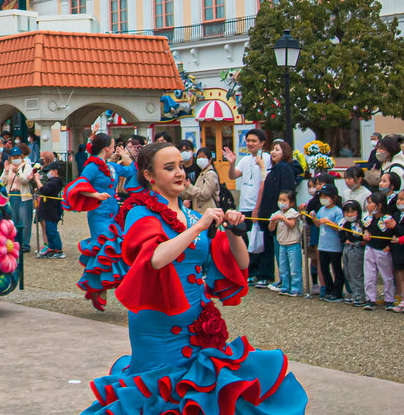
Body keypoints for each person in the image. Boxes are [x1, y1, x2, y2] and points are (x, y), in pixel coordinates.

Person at [79, 142, 306, 414]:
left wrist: (234, 231)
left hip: (197, 325)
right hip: (158, 328)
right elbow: (156, 258)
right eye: (169, 168)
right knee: (160, 396)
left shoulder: (191, 214)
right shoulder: (140, 212)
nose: (180, 173)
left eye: (181, 166)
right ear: (150, 176)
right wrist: (200, 226)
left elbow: (241, 263)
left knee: (204, 397)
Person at [69, 133, 130, 310]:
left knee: (104, 251)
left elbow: (132, 171)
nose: (114, 148)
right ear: (106, 148)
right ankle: (99, 289)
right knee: (107, 246)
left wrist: (125, 157)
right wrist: (94, 194)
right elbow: (79, 184)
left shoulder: (110, 166)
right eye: (113, 145)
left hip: (113, 213)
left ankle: (96, 288)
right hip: (98, 214)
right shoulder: (93, 166)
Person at [222, 129, 271, 283]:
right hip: (244, 205)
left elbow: (264, 183)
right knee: (247, 239)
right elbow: (232, 175)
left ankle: (264, 275)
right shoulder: (245, 160)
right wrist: (231, 164)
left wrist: (257, 208)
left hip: (259, 206)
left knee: (261, 241)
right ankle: (250, 271)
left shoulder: (267, 159)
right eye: (248, 140)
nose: (250, 144)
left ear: (262, 143)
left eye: (254, 141)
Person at [255, 139, 297, 289]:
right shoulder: (276, 168)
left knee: (282, 250)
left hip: (279, 214)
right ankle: (281, 279)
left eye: (277, 149)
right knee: (275, 248)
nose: (273, 152)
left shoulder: (284, 168)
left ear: (284, 152)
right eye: (272, 149)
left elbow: (285, 191)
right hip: (271, 214)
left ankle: (286, 281)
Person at [361, 191, 397, 310]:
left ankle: (389, 299)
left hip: (383, 250)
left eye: (370, 203)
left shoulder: (388, 219)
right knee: (369, 275)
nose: (368, 205)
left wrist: (389, 247)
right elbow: (363, 228)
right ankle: (370, 299)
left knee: (387, 276)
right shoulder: (367, 217)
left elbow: (393, 234)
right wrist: (365, 233)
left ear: (379, 205)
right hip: (370, 248)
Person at [313, 183, 345, 302]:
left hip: (334, 246)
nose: (323, 199)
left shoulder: (337, 211)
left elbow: (339, 227)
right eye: (322, 196)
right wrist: (315, 219)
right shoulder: (322, 209)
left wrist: (328, 222)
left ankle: (337, 291)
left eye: (326, 196)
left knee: (336, 268)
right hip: (323, 245)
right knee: (324, 268)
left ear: (334, 197)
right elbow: (318, 225)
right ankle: (329, 288)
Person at [269, 190, 303, 296]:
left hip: (293, 244)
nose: (281, 202)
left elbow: (291, 225)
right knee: (283, 267)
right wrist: (272, 221)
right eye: (280, 200)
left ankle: (296, 288)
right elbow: (271, 229)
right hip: (282, 244)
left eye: (284, 200)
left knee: (294, 268)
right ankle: (285, 286)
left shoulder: (293, 213)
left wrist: (282, 218)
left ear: (291, 203)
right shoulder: (277, 213)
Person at [1, 147, 35, 253]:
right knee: (13, 219)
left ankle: (25, 243)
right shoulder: (9, 167)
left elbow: (25, 180)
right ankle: (14, 241)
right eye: (14, 156)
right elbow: (2, 181)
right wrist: (6, 171)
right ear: (10, 157)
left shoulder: (26, 166)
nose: (16, 158)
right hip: (11, 195)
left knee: (24, 219)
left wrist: (18, 173)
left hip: (23, 195)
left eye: (18, 156)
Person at [339, 200, 366, 306]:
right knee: (347, 272)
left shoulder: (362, 223)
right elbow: (341, 235)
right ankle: (354, 293)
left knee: (356, 273)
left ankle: (360, 294)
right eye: (347, 212)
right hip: (347, 248)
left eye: (352, 212)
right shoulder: (343, 222)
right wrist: (345, 240)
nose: (349, 215)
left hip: (357, 248)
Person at [36, 161, 64, 259]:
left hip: (52, 210)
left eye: (50, 171)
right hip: (48, 210)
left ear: (55, 171)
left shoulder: (56, 181)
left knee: (52, 230)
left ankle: (58, 249)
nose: (48, 173)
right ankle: (52, 248)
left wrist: (37, 181)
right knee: (48, 230)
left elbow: (44, 190)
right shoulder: (52, 181)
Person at [183, 147, 220, 213]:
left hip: (208, 212)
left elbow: (205, 194)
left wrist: (190, 187)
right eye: (198, 157)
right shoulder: (201, 174)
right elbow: (194, 194)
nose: (200, 160)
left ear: (210, 159)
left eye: (203, 157)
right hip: (199, 212)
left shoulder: (211, 174)